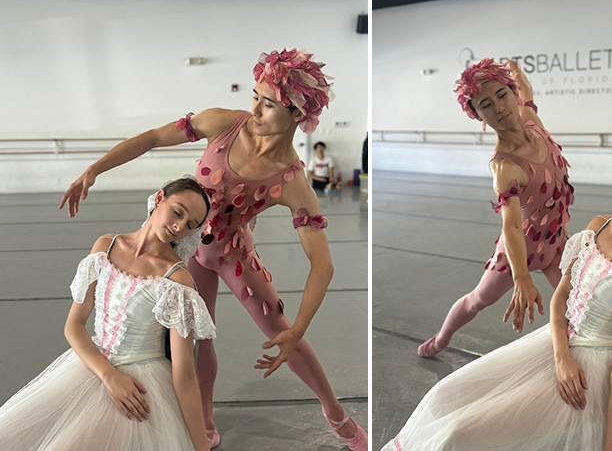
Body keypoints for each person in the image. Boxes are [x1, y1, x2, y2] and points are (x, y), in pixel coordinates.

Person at [59, 48, 367, 450]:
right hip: (190, 254)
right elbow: (153, 138)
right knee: (196, 342)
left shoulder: (293, 182)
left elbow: (322, 265)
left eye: (268, 103)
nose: (255, 108)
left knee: (281, 331)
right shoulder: (222, 123)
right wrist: (94, 169)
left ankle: (336, 413)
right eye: (255, 96)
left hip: (234, 256)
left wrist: (298, 331)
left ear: (297, 115)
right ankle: (202, 420)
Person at [383, 168, 612, 451]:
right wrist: (562, 357)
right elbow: (561, 298)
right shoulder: (600, 226)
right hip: (554, 347)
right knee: (442, 396)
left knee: (461, 434)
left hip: (590, 379)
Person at [0, 177, 216, 451]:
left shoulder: (176, 280)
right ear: (159, 198)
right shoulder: (105, 247)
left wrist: (200, 448)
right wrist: (109, 375)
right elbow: (74, 325)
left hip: (142, 387)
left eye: (189, 225)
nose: (178, 226)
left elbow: (184, 375)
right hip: (91, 368)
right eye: (177, 212)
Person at [418, 59, 575, 358]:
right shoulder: (505, 167)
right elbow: (512, 227)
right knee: (477, 300)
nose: (500, 108)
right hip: (519, 252)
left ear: (512, 92)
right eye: (486, 104)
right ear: (478, 115)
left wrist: (516, 71)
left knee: (578, 304)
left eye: (503, 95)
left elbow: (526, 90)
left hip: (555, 242)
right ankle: (441, 339)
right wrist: (522, 278)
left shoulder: (532, 120)